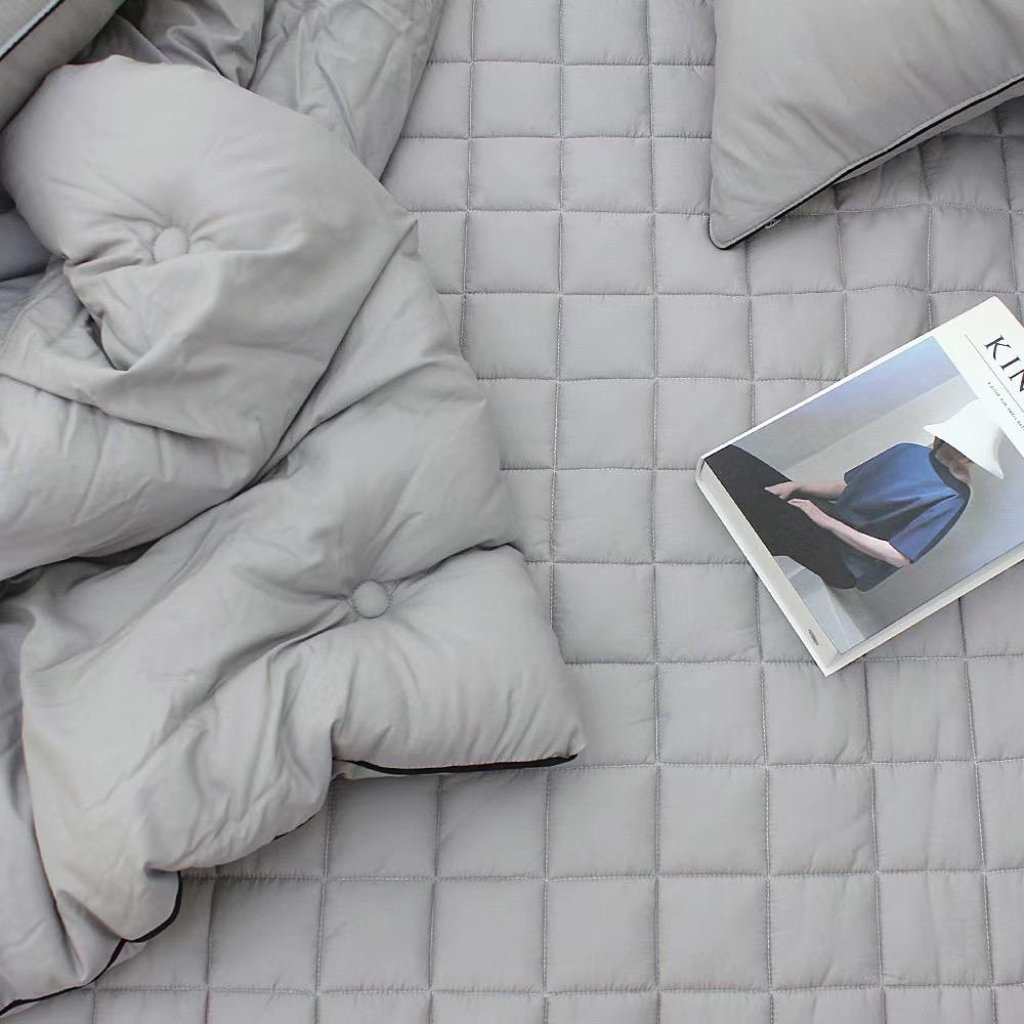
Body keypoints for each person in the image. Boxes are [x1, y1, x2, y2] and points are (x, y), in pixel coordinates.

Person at [705, 399, 1005, 591]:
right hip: (828, 519)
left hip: (846, 562)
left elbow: (899, 556)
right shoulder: (908, 451)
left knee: (758, 505)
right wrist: (797, 486)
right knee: (728, 458)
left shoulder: (954, 496)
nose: (963, 454)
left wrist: (827, 522)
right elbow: (848, 487)